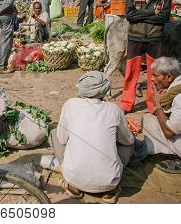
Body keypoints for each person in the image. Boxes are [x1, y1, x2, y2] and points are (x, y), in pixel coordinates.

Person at [50, 71, 134, 203]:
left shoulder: (70, 104)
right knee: (130, 143)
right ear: (105, 90)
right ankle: (109, 192)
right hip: (110, 182)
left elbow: (62, 139)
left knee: (54, 133)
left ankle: (74, 187)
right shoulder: (114, 109)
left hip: (74, 178)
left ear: (82, 88)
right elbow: (128, 140)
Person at [120, 0, 172, 114]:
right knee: (130, 73)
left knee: (154, 75)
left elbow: (164, 17)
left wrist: (140, 15)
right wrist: (151, 13)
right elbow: (129, 16)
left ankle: (153, 106)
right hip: (135, 38)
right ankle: (126, 104)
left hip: (155, 38)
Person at [141, 57, 181, 172]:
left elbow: (169, 133)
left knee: (149, 120)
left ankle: (172, 155)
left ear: (169, 77)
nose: (151, 79)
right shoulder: (175, 89)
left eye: (155, 75)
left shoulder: (178, 98)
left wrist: (158, 105)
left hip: (173, 134)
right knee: (149, 118)